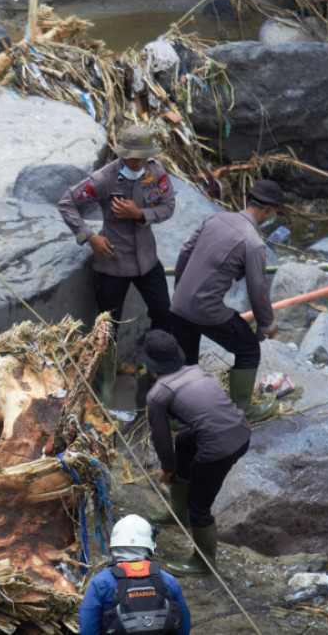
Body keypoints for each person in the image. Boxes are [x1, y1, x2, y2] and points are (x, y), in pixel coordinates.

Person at [57, 124, 176, 408]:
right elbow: (67, 203)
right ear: (122, 155)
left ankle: (153, 376)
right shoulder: (104, 179)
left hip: (147, 261)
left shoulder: (155, 172)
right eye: (133, 158)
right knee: (107, 328)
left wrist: (141, 213)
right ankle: (104, 393)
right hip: (112, 263)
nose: (138, 163)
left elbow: (168, 206)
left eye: (142, 157)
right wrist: (90, 236)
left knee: (163, 313)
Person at [169, 179, 284, 422]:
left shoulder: (215, 219)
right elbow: (257, 289)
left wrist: (181, 291)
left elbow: (185, 252)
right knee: (249, 349)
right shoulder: (252, 243)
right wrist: (267, 325)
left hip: (179, 305)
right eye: (273, 213)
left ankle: (177, 421)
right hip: (207, 311)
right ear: (268, 211)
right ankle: (242, 411)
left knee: (187, 363)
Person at [140, 330, 250, 577]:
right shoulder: (195, 370)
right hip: (241, 432)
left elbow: (160, 439)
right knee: (185, 442)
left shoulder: (157, 394)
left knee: (199, 505)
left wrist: (168, 468)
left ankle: (204, 562)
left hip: (219, 448)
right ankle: (179, 513)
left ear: (149, 364)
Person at [78, 513, 191, 634]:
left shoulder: (100, 583)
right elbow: (184, 626)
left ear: (114, 546)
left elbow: (87, 629)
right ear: (150, 545)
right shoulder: (168, 580)